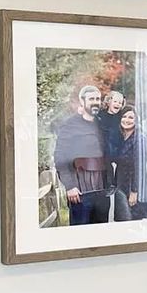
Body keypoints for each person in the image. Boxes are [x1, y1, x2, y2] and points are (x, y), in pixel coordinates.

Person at [53, 85, 112, 224]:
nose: (95, 102)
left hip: (102, 191)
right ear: (82, 101)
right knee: (80, 235)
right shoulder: (70, 125)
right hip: (80, 192)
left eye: (97, 99)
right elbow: (60, 157)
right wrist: (69, 186)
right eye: (91, 99)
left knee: (102, 234)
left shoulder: (102, 123)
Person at [113, 105, 147, 220]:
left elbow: (139, 168)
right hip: (123, 187)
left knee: (135, 223)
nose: (127, 120)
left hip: (133, 188)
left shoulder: (139, 139)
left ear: (136, 120)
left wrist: (134, 192)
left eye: (131, 117)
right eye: (124, 116)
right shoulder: (123, 138)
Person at [98, 90, 125, 159]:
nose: (117, 104)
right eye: (115, 101)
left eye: (120, 103)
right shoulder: (100, 115)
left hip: (116, 151)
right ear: (109, 101)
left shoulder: (122, 117)